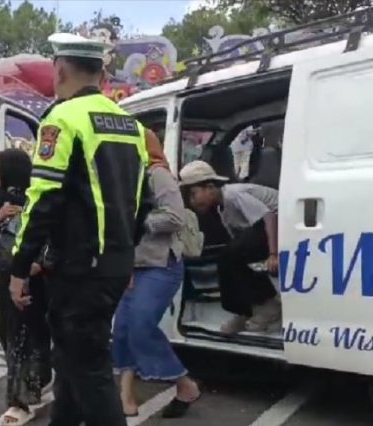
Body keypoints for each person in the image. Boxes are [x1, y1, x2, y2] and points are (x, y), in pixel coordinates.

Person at [9, 32, 151, 426]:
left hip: (78, 268)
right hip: (113, 264)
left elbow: (43, 199)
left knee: (88, 369)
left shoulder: (62, 118)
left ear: (60, 70)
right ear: (102, 74)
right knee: (71, 359)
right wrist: (125, 256)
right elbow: (143, 202)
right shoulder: (131, 125)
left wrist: (19, 266)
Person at [112, 130, 201, 419]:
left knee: (140, 326)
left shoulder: (157, 174)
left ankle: (184, 384)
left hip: (161, 265)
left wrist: (138, 221)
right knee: (122, 330)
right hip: (131, 266)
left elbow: (175, 217)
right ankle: (125, 395)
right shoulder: (126, 177)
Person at [0, 148, 52, 425]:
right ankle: (35, 381)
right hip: (18, 274)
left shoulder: (25, 196)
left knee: (21, 335)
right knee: (18, 333)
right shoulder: (11, 196)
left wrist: (39, 262)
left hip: (23, 275)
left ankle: (20, 399)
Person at [179, 160, 281, 334]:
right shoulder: (222, 209)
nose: (192, 201)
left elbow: (269, 217)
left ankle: (269, 305)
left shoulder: (233, 195)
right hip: (264, 229)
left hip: (279, 223)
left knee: (231, 255)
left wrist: (273, 254)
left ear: (210, 187)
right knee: (228, 258)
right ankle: (244, 311)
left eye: (193, 194)